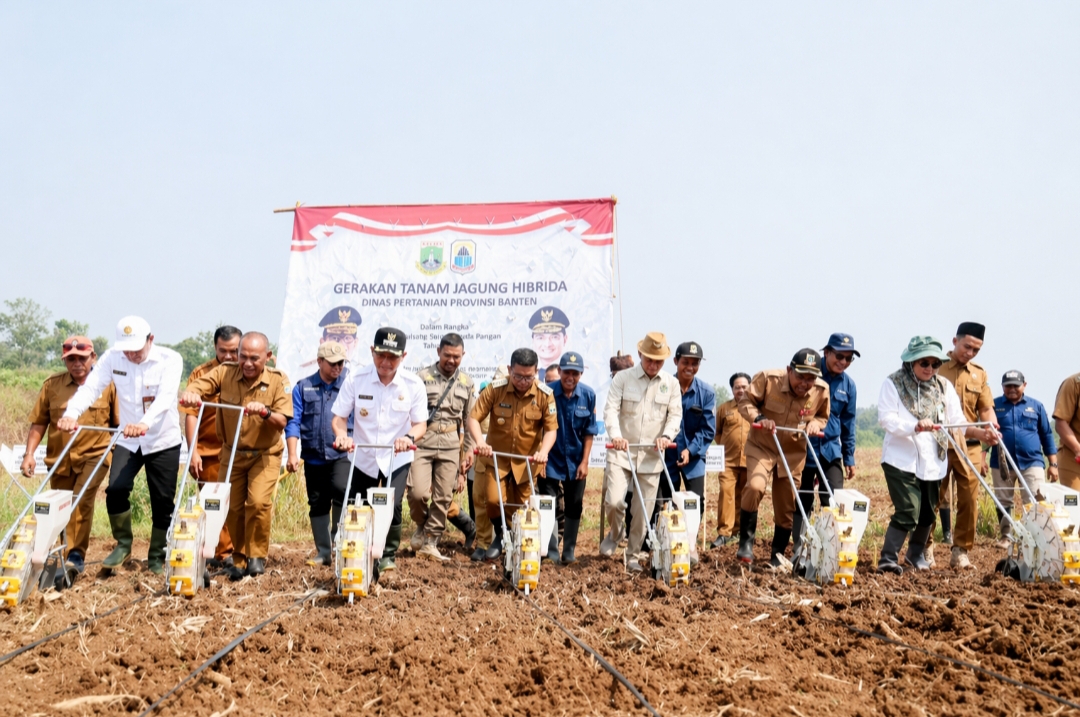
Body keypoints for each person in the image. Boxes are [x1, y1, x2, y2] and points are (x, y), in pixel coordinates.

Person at [57, 316, 183, 575]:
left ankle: (157, 555)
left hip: (162, 439)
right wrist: (71, 413)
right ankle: (123, 543)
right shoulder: (113, 357)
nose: (132, 355)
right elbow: (91, 388)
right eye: (127, 349)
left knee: (162, 500)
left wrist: (145, 423)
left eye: (136, 349)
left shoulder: (170, 360)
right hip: (128, 438)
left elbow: (166, 398)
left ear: (151, 339)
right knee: (115, 489)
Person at [876, 336, 996, 573]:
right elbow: (886, 419)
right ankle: (888, 558)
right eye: (924, 363)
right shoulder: (893, 383)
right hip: (901, 459)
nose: (930, 369)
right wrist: (915, 426)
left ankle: (914, 555)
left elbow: (957, 422)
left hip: (934, 460)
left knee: (928, 511)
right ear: (911, 362)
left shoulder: (943, 386)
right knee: (909, 509)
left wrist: (982, 434)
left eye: (935, 364)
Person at [179, 332, 292, 579]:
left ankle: (256, 556)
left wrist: (264, 412)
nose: (247, 363)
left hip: (265, 454)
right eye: (243, 357)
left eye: (255, 358)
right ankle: (240, 558)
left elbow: (282, 421)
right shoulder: (225, 372)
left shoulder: (278, 380)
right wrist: (193, 392)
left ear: (268, 357)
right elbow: (201, 384)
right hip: (231, 453)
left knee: (259, 503)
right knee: (233, 508)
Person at [331, 327, 427, 579]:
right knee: (359, 505)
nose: (385, 363)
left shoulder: (413, 384)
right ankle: (359, 552)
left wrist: (408, 438)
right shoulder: (356, 379)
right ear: (372, 352)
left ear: (403, 356)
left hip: (397, 456)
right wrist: (342, 435)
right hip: (363, 456)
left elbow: (421, 424)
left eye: (392, 357)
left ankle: (387, 556)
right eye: (381, 355)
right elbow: (339, 417)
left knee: (390, 506)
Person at [22, 336, 119, 574]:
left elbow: (119, 424)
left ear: (93, 358)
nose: (77, 363)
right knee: (62, 504)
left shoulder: (109, 385)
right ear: (65, 360)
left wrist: (115, 456)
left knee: (81, 499)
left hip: (95, 455)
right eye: (71, 359)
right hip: (60, 459)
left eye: (82, 358)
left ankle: (75, 555)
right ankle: (62, 552)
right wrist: (29, 454)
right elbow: (39, 423)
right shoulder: (51, 385)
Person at [736, 349, 830, 567]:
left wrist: (816, 423)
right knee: (755, 486)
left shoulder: (821, 390)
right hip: (763, 446)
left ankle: (777, 556)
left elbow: (823, 416)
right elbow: (745, 402)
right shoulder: (768, 379)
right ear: (789, 370)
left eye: (810, 379)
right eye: (800, 376)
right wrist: (759, 417)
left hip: (792, 453)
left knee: (786, 506)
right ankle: (746, 543)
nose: (805, 384)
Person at [601, 332, 682, 572]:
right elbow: (611, 409)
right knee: (615, 502)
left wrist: (667, 436)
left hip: (650, 456)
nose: (654, 365)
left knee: (642, 510)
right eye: (649, 360)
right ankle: (616, 534)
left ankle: (633, 554)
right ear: (640, 355)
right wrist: (616, 435)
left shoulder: (671, 383)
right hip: (621, 453)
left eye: (659, 361)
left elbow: (675, 415)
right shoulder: (623, 379)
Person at [468, 348, 558, 560]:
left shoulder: (545, 395)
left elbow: (551, 430)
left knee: (524, 508)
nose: (523, 381)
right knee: (491, 501)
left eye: (529, 377)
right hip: (496, 459)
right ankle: (501, 533)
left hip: (525, 464)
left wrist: (543, 452)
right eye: (517, 376)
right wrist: (480, 442)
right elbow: (473, 418)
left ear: (536, 371)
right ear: (509, 370)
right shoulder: (494, 389)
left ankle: (521, 544)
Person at [406, 333, 478, 563]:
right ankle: (421, 524)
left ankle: (431, 540)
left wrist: (468, 451)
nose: (451, 360)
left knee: (444, 496)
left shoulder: (467, 383)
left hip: (449, 445)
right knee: (417, 493)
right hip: (423, 441)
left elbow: (469, 420)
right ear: (438, 352)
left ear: (463, 355)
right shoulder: (421, 378)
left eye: (456, 356)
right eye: (447, 355)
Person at [935, 321, 996, 570]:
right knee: (933, 496)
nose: (970, 353)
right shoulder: (934, 367)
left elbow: (986, 409)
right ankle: (925, 546)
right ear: (954, 341)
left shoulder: (979, 373)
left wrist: (991, 428)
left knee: (969, 498)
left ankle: (960, 551)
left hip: (969, 443)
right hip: (938, 442)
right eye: (967, 347)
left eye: (976, 350)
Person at [285, 341, 351, 567]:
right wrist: (292, 454)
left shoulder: (350, 385)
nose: (337, 367)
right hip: (313, 455)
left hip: (342, 454)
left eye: (341, 363)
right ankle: (324, 552)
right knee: (317, 502)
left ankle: (339, 543)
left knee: (342, 491)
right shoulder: (303, 387)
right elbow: (293, 422)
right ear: (319, 361)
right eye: (332, 363)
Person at [180, 325, 241, 567]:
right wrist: (192, 450)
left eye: (234, 351)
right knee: (214, 504)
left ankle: (239, 552)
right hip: (209, 452)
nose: (228, 356)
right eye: (223, 351)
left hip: (238, 451)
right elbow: (190, 414)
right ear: (215, 348)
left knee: (237, 505)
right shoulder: (201, 374)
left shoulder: (247, 372)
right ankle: (221, 553)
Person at [794, 333, 859, 555]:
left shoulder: (848, 385)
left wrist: (849, 457)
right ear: (826, 352)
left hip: (830, 450)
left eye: (848, 359)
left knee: (833, 499)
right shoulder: (807, 374)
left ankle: (830, 548)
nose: (843, 362)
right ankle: (799, 547)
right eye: (839, 356)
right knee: (801, 500)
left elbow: (848, 423)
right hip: (803, 448)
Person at [658, 341, 715, 564]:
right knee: (664, 500)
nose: (689, 367)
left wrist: (691, 450)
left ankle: (690, 545)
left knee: (695, 501)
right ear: (676, 361)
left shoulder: (707, 393)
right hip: (667, 454)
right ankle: (664, 544)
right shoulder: (664, 387)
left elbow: (708, 429)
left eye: (695, 363)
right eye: (685, 362)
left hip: (694, 456)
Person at [541, 351, 598, 564]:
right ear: (560, 371)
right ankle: (552, 551)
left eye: (575, 373)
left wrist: (585, 462)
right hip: (551, 459)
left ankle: (569, 551)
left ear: (581, 374)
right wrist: (542, 456)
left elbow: (589, 432)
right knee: (549, 504)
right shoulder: (545, 392)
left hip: (575, 461)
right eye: (566, 372)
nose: (570, 377)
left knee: (574, 504)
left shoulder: (588, 395)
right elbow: (538, 428)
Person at [991, 370, 1058, 547]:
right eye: (1008, 386)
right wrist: (982, 458)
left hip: (1032, 462)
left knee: (1035, 500)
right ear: (1003, 387)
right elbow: (986, 433)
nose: (1012, 389)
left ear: (1024, 385)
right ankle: (1007, 536)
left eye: (1016, 385)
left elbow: (1047, 435)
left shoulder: (1036, 406)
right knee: (1003, 500)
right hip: (1001, 463)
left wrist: (1053, 464)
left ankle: (1035, 537)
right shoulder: (994, 405)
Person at [711, 372, 751, 548]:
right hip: (728, 461)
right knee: (726, 493)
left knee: (745, 496)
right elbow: (717, 432)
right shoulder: (724, 408)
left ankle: (741, 531)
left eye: (744, 387)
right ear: (732, 389)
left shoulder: (757, 409)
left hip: (750, 461)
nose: (740, 390)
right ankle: (724, 533)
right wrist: (726, 446)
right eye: (737, 387)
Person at [1053, 371, 1080, 492]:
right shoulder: (1073, 383)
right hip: (1074, 458)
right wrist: (1077, 449)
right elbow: (1061, 423)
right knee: (1075, 505)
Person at [529, 306, 569, 370]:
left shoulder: (573, 373)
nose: (547, 344)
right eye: (540, 338)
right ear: (533, 340)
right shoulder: (526, 374)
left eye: (554, 337)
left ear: (565, 339)